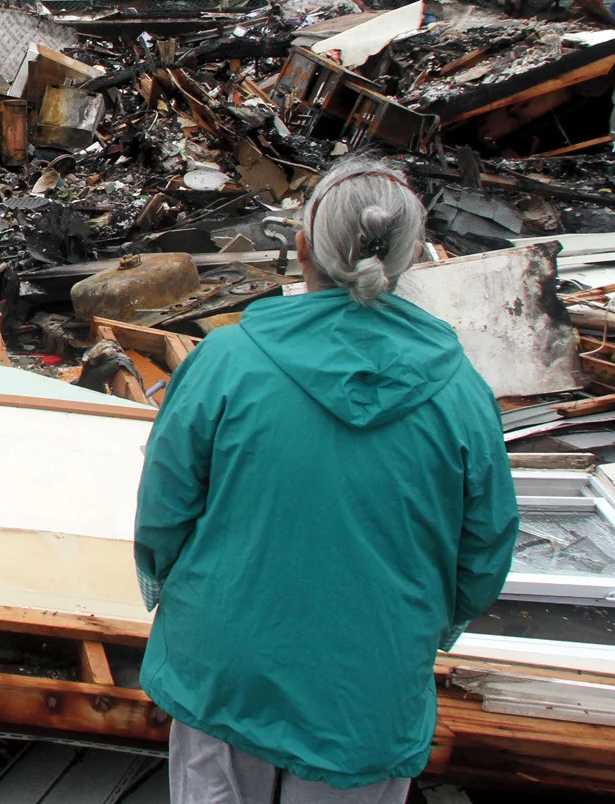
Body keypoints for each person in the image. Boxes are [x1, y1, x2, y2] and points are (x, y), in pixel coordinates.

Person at [134, 157, 518, 803]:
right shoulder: (460, 392)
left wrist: (180, 595)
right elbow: (482, 553)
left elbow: (163, 514)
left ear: (303, 245)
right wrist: (417, 626)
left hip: (226, 661)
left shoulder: (226, 360)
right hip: (368, 680)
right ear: (412, 255)